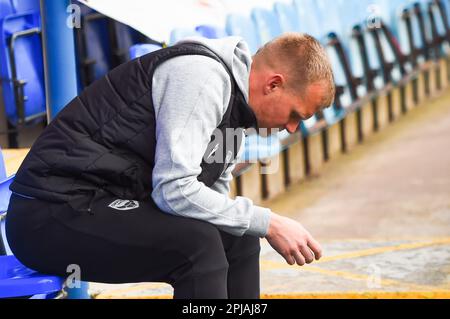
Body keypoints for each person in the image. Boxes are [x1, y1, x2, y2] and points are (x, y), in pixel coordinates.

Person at [5, 32, 335, 299]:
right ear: (273, 84)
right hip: (49, 214)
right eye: (295, 115)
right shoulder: (201, 77)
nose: (293, 128)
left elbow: (207, 197)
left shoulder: (239, 112)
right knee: (197, 247)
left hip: (102, 204)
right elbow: (174, 189)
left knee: (237, 237)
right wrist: (271, 222)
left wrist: (252, 224)